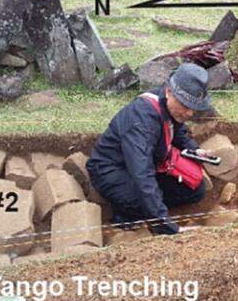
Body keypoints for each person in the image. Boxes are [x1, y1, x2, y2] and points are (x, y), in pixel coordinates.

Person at [87, 63, 214, 235]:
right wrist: (168, 227)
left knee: (195, 190)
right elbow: (142, 174)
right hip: (111, 168)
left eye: (193, 108)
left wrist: (194, 149)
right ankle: (125, 215)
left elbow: (177, 129)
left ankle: (152, 206)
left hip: (149, 164)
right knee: (138, 199)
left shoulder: (167, 102)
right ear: (169, 91)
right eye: (185, 106)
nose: (190, 113)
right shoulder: (141, 121)